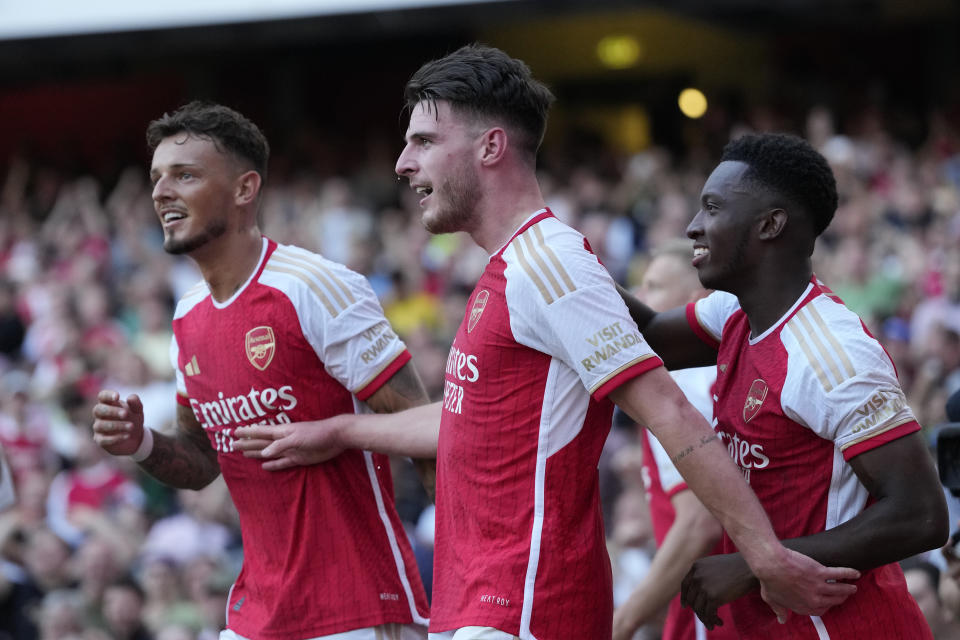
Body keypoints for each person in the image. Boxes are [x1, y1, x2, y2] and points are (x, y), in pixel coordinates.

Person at [234, 46, 857, 640]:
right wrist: (340, 432)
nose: (402, 164)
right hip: (481, 602)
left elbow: (666, 407)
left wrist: (764, 555)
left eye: (423, 141)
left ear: (491, 147)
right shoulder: (511, 267)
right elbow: (472, 424)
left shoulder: (546, 262)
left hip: (524, 606)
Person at [90, 101, 431, 640]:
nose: (160, 192)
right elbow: (203, 461)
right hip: (258, 613)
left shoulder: (314, 286)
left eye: (185, 175)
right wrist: (140, 444)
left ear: (245, 189)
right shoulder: (187, 315)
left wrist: (466, 579)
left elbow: (427, 429)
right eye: (156, 177)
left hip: (358, 606)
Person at [612, 132, 949, 638]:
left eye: (712, 208)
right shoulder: (735, 313)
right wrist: (566, 261)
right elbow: (652, 336)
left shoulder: (830, 353)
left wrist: (756, 563)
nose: (693, 227)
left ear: (770, 224)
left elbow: (921, 514)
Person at [612, 239, 734, 640]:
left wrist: (622, 622)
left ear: (699, 300)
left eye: (655, 287)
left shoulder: (680, 381)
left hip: (714, 620)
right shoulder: (712, 376)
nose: (642, 299)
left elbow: (700, 522)